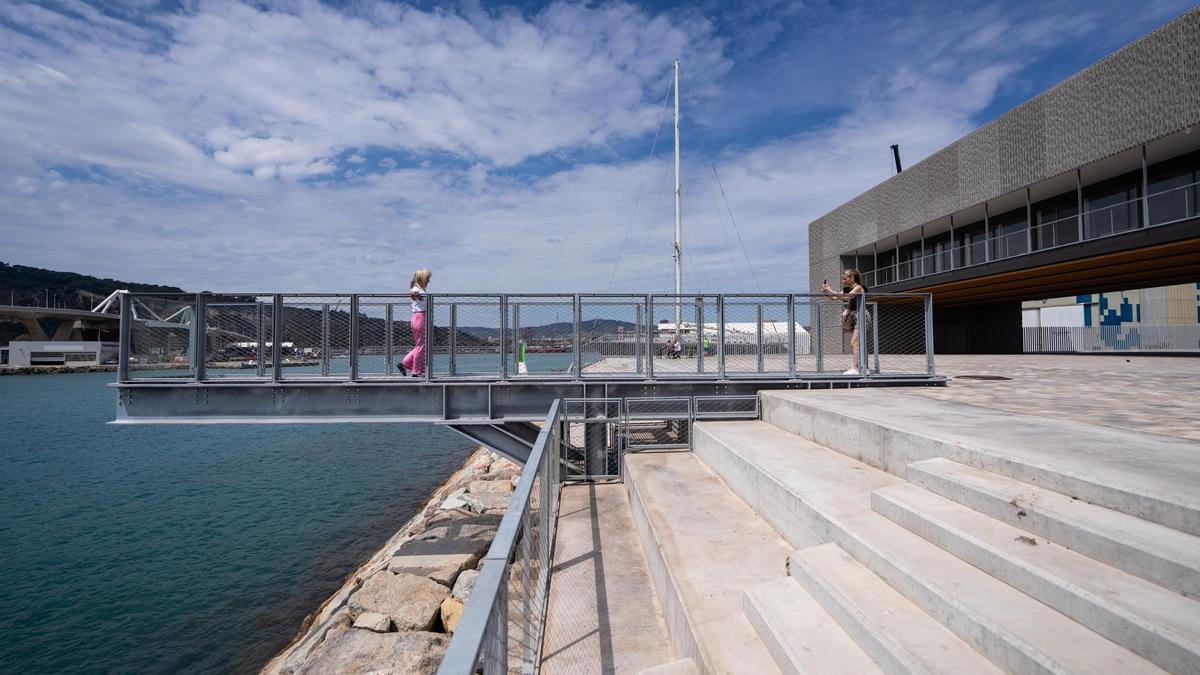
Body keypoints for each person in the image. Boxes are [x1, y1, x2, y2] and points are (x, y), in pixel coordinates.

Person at [821, 269, 869, 375]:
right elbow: (834, 298)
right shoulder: (847, 289)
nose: (843, 281)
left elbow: (846, 297)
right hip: (854, 316)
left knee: (854, 342)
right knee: (857, 343)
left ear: (852, 278)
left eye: (845, 279)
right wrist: (826, 292)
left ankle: (857, 368)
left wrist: (830, 289)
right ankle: (864, 367)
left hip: (861, 316)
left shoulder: (858, 288)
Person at [399, 268, 431, 377]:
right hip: (421, 317)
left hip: (416, 317)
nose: (429, 281)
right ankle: (417, 371)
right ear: (422, 279)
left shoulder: (416, 289)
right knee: (422, 345)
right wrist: (414, 293)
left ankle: (405, 363)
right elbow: (414, 293)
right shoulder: (418, 290)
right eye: (427, 278)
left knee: (420, 345)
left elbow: (414, 293)